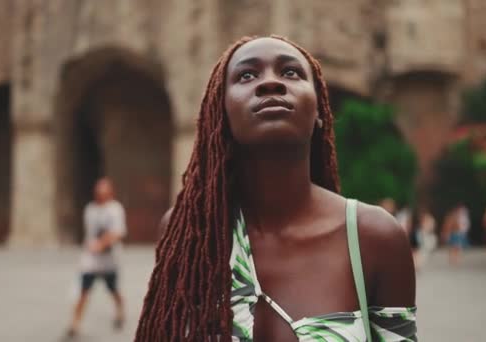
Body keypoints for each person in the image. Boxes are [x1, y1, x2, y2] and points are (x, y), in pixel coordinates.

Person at [135, 36, 416, 341]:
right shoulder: (190, 232)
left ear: (320, 109)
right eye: (247, 75)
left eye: (290, 73)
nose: (270, 83)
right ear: (221, 113)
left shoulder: (374, 237)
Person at [66, 178, 127, 338]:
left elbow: (118, 232)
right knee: (83, 291)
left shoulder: (115, 209)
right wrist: (89, 250)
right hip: (92, 260)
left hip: (109, 259)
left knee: (113, 289)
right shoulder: (90, 209)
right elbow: (89, 233)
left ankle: (120, 312)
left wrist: (102, 243)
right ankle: (75, 323)